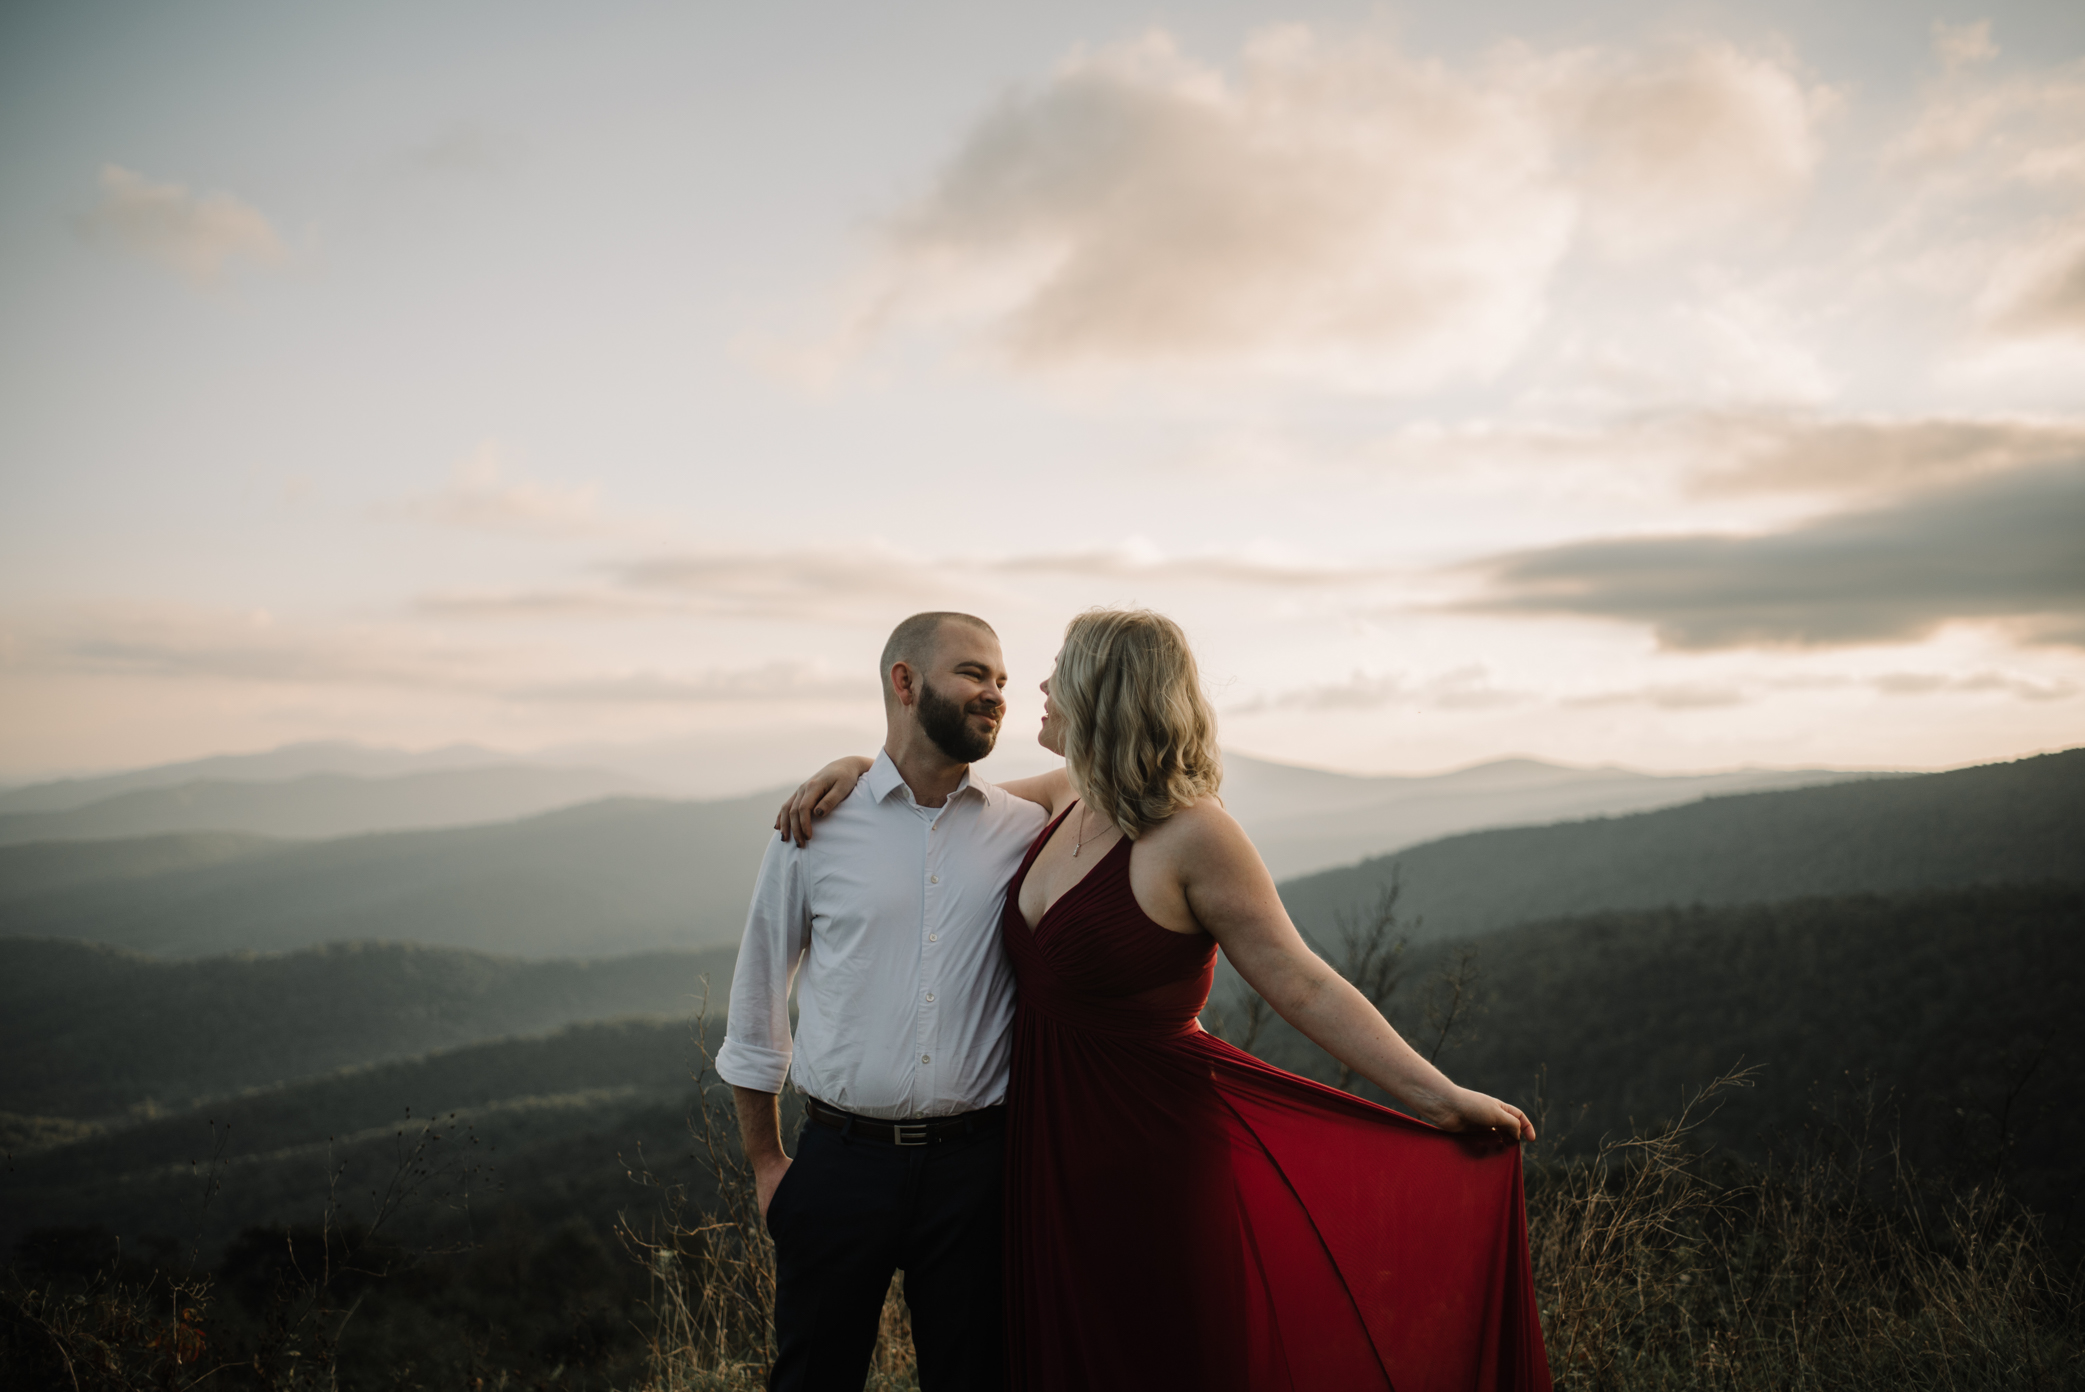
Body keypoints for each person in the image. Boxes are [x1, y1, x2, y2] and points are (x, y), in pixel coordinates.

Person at [776, 608, 1552, 1391]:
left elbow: (1301, 979)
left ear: (1105, 690)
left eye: (1058, 671)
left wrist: (1438, 1096)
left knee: (1152, 1355)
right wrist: (851, 770)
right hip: (1040, 1152)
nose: (1037, 688)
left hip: (1148, 1149)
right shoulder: (1068, 795)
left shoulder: (1196, 835)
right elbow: (921, 813)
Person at [716, 611, 1047, 1392]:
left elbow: (1125, 780)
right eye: (973, 674)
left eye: (1000, 680)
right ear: (904, 681)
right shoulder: (815, 827)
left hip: (978, 1174)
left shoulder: (1024, 829)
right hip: (838, 1166)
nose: (994, 694)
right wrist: (768, 1166)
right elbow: (758, 995)